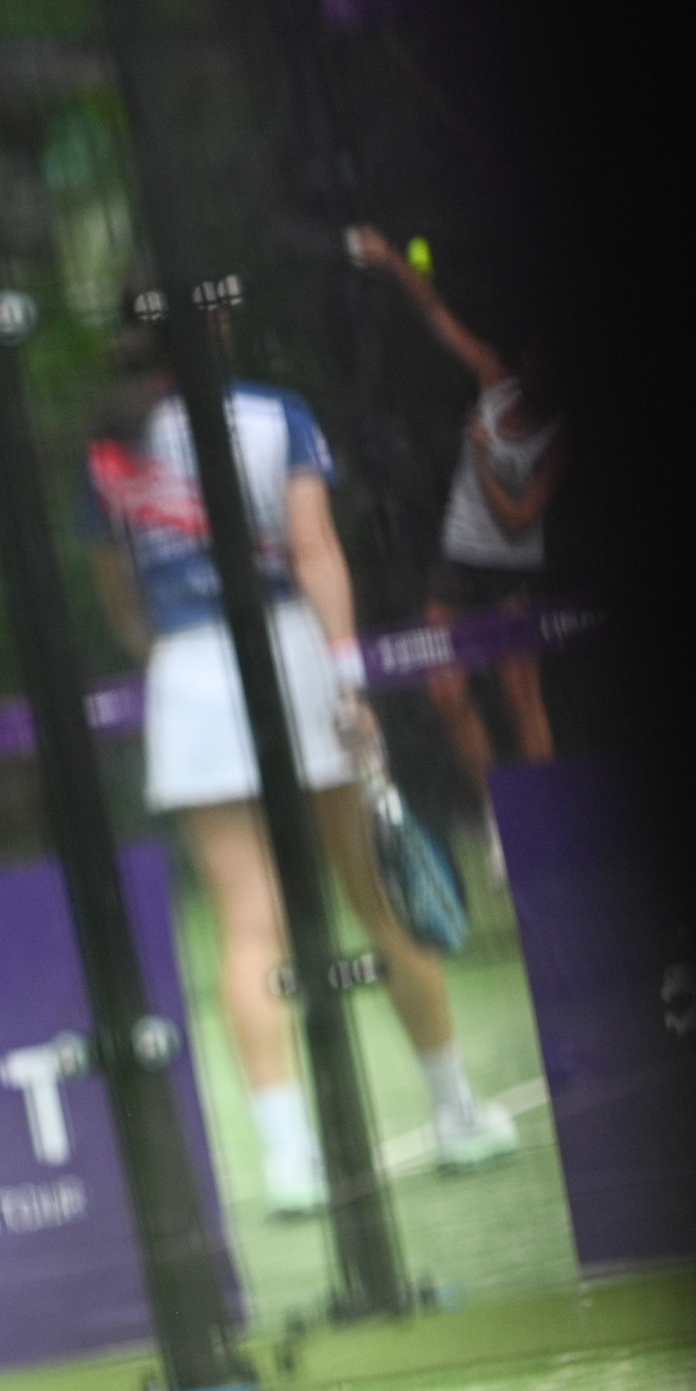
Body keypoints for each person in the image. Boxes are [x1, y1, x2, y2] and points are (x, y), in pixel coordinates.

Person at [82, 326, 522, 1217]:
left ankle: (289, 1165)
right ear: (213, 325)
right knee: (378, 896)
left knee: (249, 929)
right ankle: (457, 1114)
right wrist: (347, 678)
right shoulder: (273, 414)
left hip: (190, 678)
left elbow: (117, 589)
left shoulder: (112, 446)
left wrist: (164, 653)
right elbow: (316, 550)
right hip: (294, 659)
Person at [347, 226, 558, 810]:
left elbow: (518, 521)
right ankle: (498, 810)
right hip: (457, 558)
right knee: (444, 687)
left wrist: (485, 457)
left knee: (521, 695)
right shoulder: (495, 381)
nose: (535, 369)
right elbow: (436, 315)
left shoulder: (557, 436)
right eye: (533, 358)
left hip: (510, 568)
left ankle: (545, 812)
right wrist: (392, 260)